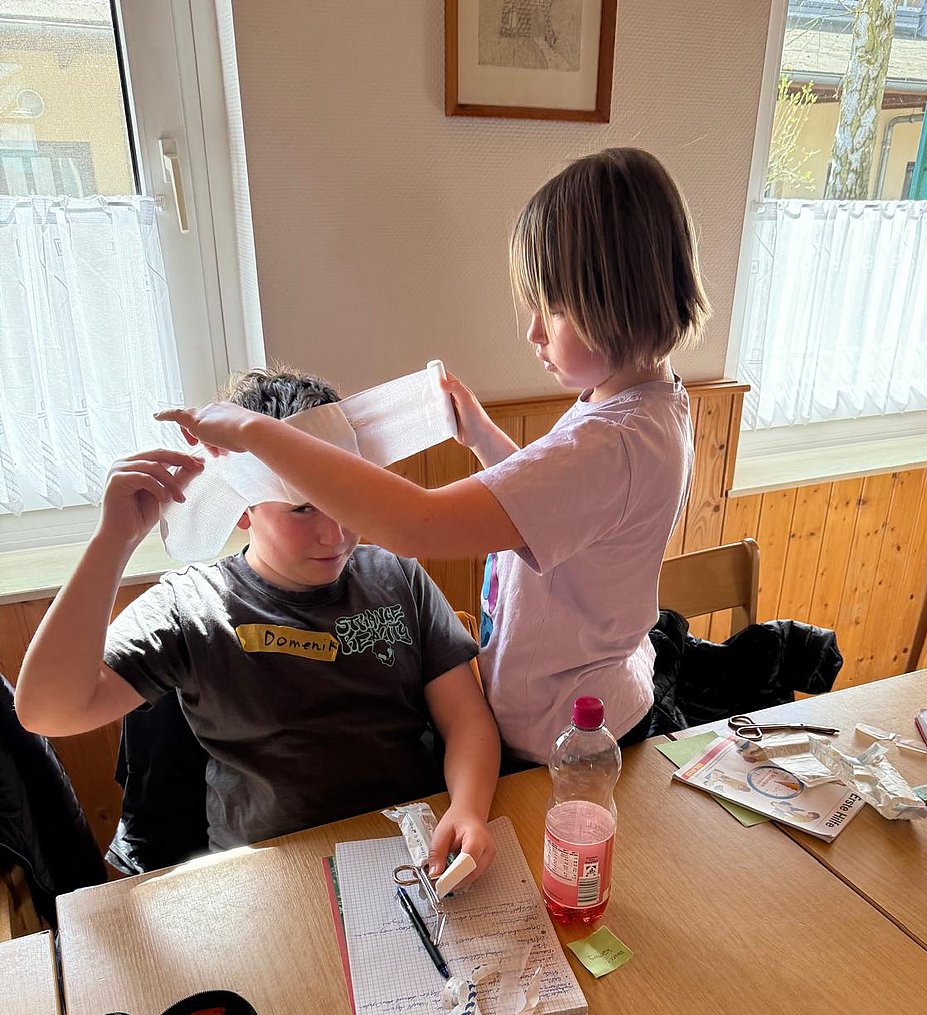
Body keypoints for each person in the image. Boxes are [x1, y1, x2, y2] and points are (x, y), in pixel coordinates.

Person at [156, 147, 710, 767]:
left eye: (554, 308)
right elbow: (559, 513)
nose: (533, 332)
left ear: (622, 299)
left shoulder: (612, 442)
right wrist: (485, 441)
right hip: (593, 697)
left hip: (566, 736)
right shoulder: (644, 406)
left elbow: (416, 525)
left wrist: (257, 433)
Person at [15, 370, 499, 880]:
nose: (334, 534)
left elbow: (465, 717)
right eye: (301, 509)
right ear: (242, 507)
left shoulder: (397, 576)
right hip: (269, 866)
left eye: (345, 498)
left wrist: (467, 808)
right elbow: (48, 712)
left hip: (411, 842)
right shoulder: (194, 606)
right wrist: (113, 540)